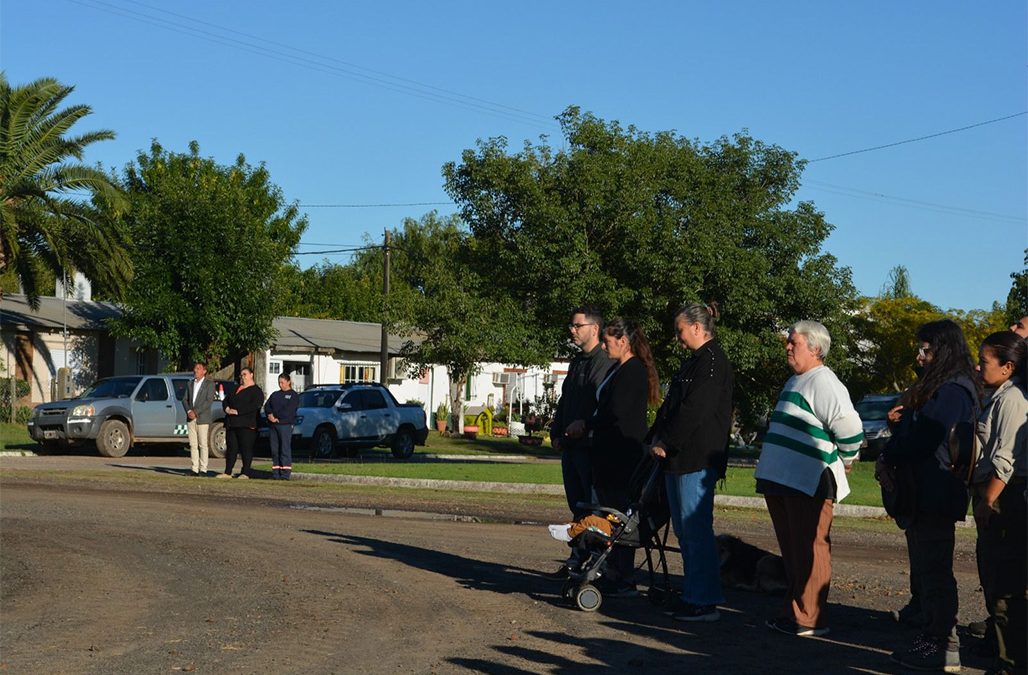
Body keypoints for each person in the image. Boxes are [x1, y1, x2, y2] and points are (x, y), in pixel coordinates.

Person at [877, 319, 979, 672]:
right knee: (929, 569)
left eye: (927, 349)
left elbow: (925, 440)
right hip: (927, 490)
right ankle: (933, 639)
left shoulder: (952, 390)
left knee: (935, 570)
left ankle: (941, 646)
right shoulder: (944, 386)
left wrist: (896, 441)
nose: (920, 357)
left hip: (935, 490)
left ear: (944, 350)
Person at [755, 320, 863, 637]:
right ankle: (796, 609)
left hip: (808, 480)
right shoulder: (796, 380)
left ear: (815, 349)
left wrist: (847, 458)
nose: (788, 347)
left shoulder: (824, 381)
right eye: (788, 342)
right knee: (793, 548)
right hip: (784, 480)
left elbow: (851, 429)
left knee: (809, 547)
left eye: (794, 342)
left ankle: (810, 617)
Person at [649, 303, 734, 622]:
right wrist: (654, 437)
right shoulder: (694, 363)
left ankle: (703, 599)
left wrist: (667, 442)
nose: (678, 337)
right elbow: (672, 405)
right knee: (686, 531)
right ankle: (694, 593)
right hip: (679, 457)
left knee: (695, 530)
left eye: (680, 330)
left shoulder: (713, 362)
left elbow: (695, 410)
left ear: (698, 328)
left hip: (696, 458)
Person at [565, 319, 660, 597]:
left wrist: (588, 424)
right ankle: (613, 570)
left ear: (624, 341)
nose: (604, 346)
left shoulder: (632, 372)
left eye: (607, 341)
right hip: (608, 455)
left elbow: (616, 413)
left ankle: (623, 575)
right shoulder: (620, 370)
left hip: (621, 457)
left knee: (618, 518)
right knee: (609, 514)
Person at [971, 331, 1027, 675]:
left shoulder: (1013, 400)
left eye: (985, 361)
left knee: (1006, 587)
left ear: (1007, 367)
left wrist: (987, 501)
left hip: (1005, 498)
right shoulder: (999, 395)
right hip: (996, 496)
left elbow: (1005, 460)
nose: (978, 367)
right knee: (994, 579)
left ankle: (1012, 664)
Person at [547, 305, 616, 578]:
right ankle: (577, 559)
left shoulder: (606, 362)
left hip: (591, 449)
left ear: (594, 328)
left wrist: (584, 426)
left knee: (593, 509)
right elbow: (566, 400)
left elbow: (601, 406)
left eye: (578, 326)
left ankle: (596, 565)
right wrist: (556, 432)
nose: (572, 330)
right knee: (577, 507)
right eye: (572, 325)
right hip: (570, 447)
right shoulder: (577, 362)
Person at [217, 367, 265, 479]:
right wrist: (227, 409)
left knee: (246, 449)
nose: (242, 377)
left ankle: (245, 472)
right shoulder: (236, 388)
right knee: (231, 449)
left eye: (245, 374)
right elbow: (226, 400)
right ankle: (228, 472)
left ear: (251, 375)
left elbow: (255, 405)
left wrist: (238, 411)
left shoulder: (256, 391)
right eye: (241, 375)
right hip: (232, 424)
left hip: (246, 424)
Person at [181, 361, 217, 477]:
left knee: (203, 444)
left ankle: (203, 469)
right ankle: (194, 468)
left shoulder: (209, 384)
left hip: (203, 418)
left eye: (198, 368)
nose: (195, 370)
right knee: (193, 444)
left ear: (204, 371)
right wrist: (189, 411)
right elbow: (184, 400)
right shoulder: (190, 384)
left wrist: (196, 412)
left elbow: (208, 401)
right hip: (191, 418)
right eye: (195, 368)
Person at [265, 373, 300, 480]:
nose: (281, 385)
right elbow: (267, 405)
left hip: (285, 425)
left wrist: (277, 416)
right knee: (275, 449)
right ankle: (276, 472)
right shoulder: (275, 394)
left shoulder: (293, 396)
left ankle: (285, 473)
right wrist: (270, 415)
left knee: (284, 449)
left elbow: (289, 411)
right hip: (273, 425)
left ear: (288, 382)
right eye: (279, 383)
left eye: (283, 382)